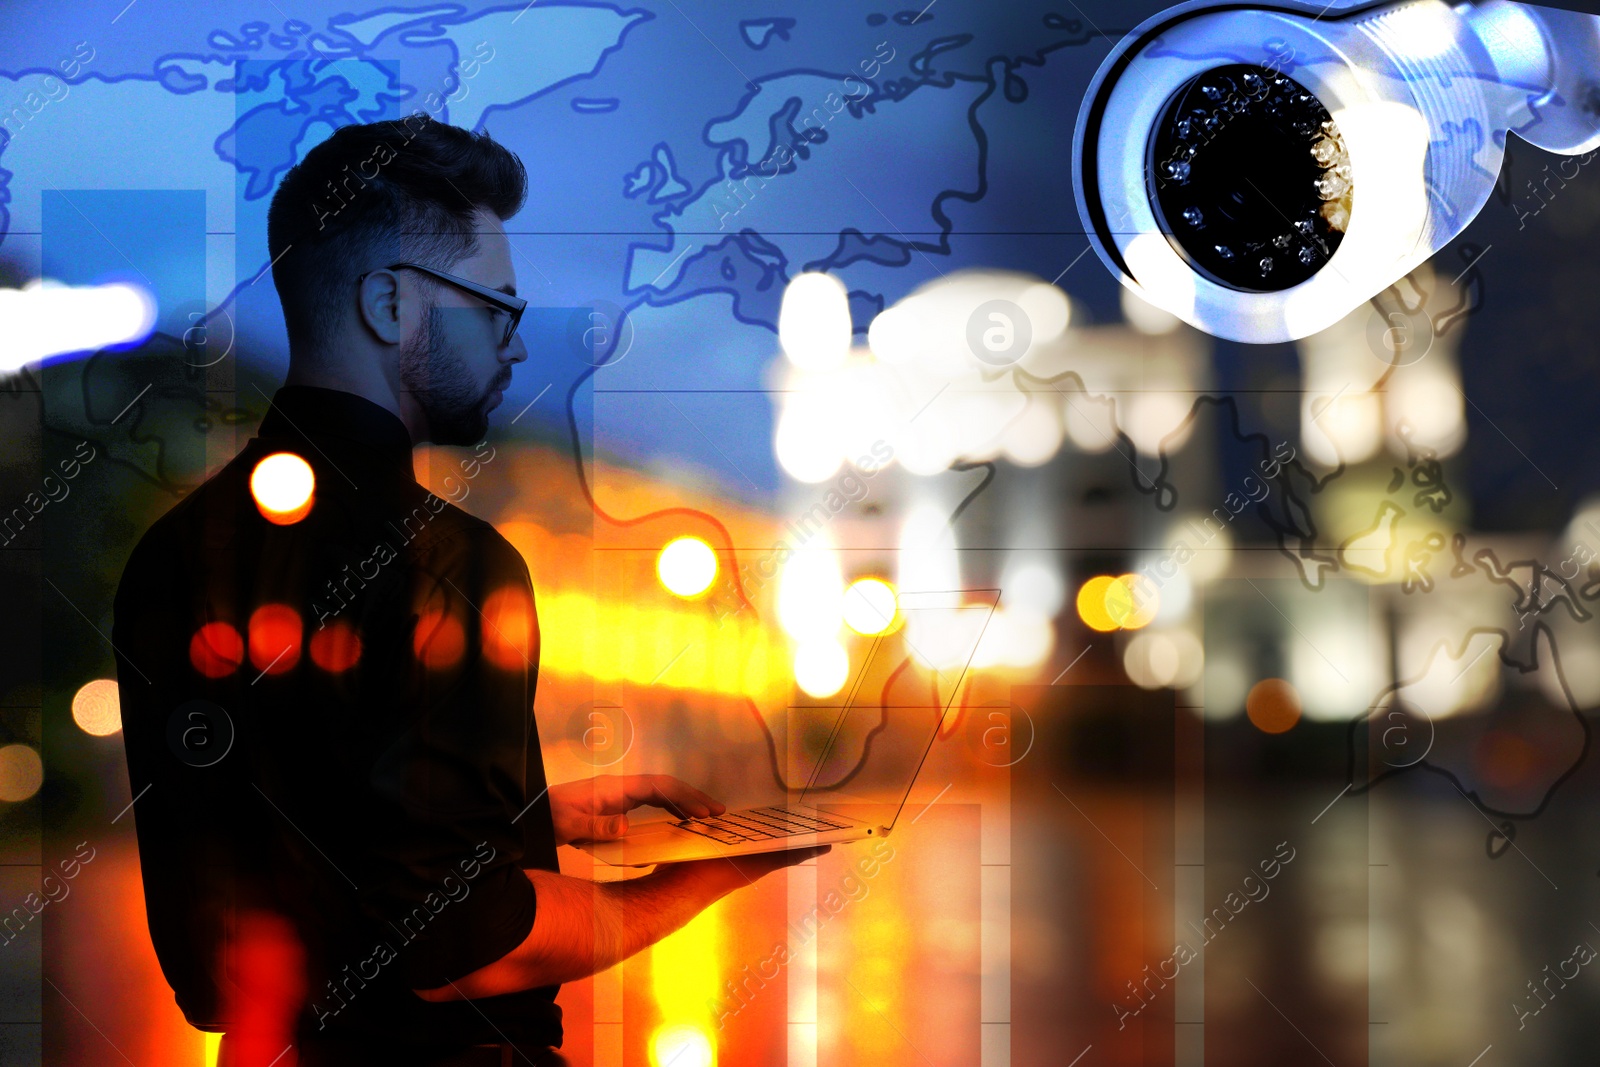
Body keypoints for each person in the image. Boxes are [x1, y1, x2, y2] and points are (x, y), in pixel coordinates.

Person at [111, 115, 820, 1067]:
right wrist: (694, 882)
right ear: (392, 306)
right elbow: (456, 946)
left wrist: (530, 815)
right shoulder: (454, 566)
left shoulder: (170, 554)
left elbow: (290, 866)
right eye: (496, 307)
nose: (516, 346)